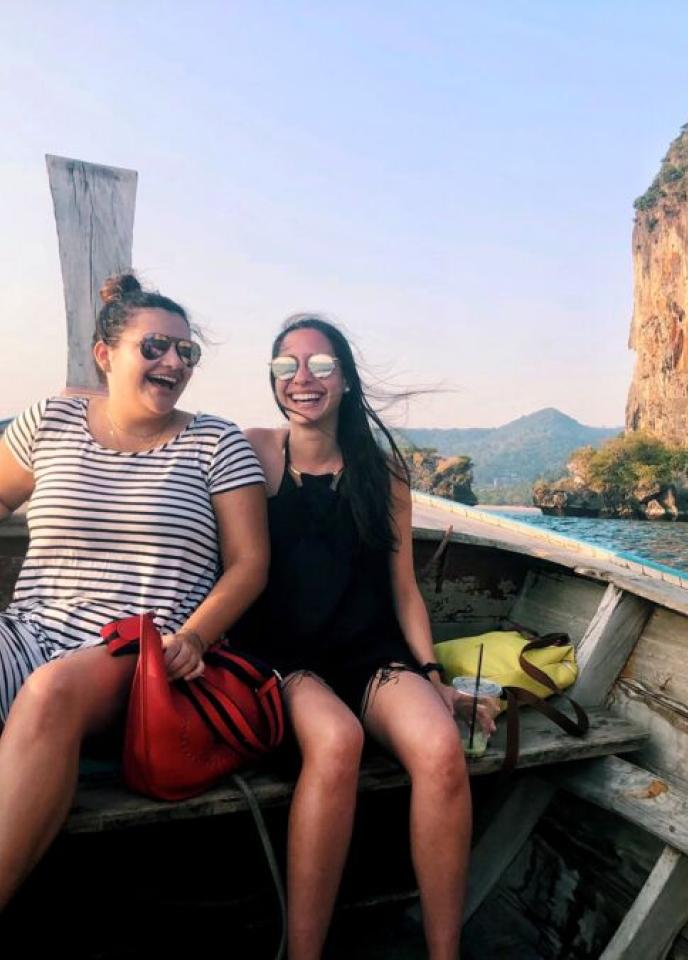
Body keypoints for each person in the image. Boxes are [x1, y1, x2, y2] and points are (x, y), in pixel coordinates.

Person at [0, 273, 269, 909]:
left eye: (187, 352)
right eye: (155, 347)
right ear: (106, 354)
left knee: (50, 692)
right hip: (29, 627)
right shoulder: (49, 420)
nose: (174, 361)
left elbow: (250, 563)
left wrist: (195, 636)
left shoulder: (217, 442)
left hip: (141, 650)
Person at [234, 314, 489, 960]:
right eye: (286, 366)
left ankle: (444, 953)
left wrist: (435, 679)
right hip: (284, 660)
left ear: (344, 379)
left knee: (439, 750)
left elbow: (404, 590)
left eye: (320, 365)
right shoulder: (252, 452)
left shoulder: (383, 475)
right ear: (271, 381)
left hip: (370, 655)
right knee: (339, 741)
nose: (302, 378)